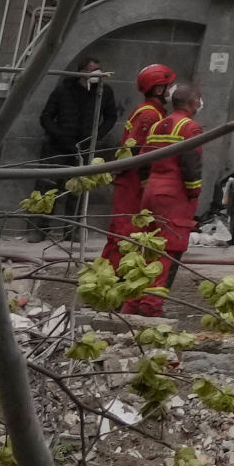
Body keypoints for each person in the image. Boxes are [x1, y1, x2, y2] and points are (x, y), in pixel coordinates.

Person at [100, 63, 190, 313]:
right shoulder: (151, 115)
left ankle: (112, 295)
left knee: (122, 241)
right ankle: (113, 296)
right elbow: (140, 154)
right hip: (132, 188)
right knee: (124, 242)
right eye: (168, 84)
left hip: (132, 185)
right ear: (159, 88)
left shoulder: (150, 111)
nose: (171, 89)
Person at [39, 54, 116, 235]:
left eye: (97, 71)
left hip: (85, 147)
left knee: (78, 190)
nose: (93, 75)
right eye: (89, 71)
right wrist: (59, 135)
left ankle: (71, 230)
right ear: (80, 72)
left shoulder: (104, 91)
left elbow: (111, 117)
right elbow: (46, 117)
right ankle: (40, 228)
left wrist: (96, 136)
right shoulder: (63, 90)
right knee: (49, 187)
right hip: (58, 146)